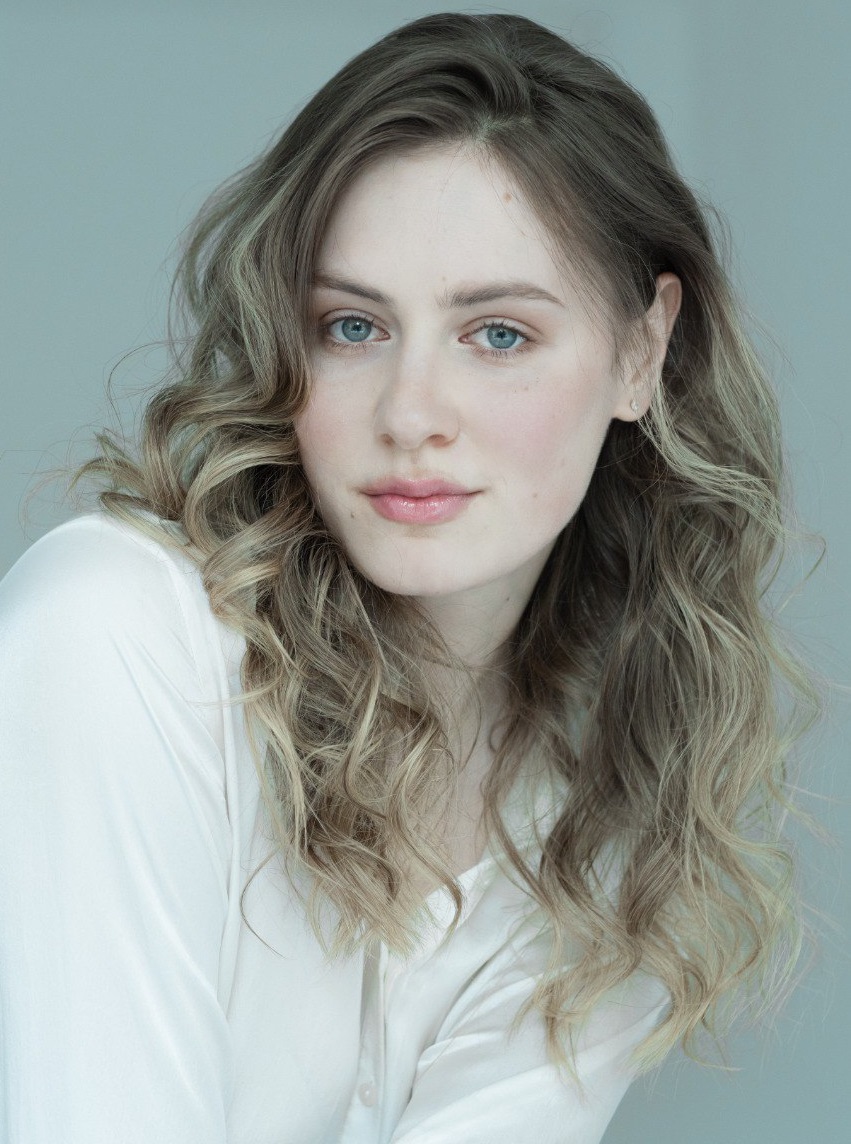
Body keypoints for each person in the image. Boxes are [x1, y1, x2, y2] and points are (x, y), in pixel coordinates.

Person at [0, 12, 820, 1144]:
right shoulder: (117, 637)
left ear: (641, 351)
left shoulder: (598, 837)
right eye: (352, 327)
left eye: (497, 335)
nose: (409, 413)